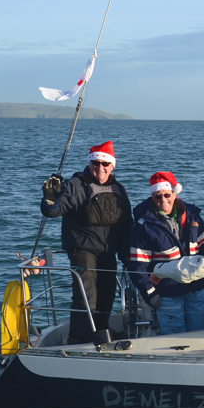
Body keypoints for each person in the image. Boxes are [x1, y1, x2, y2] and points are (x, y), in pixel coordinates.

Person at [40, 140, 132, 344]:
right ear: (89, 164)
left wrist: (127, 253)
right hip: (83, 250)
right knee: (86, 293)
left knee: (108, 292)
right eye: (95, 163)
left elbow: (127, 224)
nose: (100, 167)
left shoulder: (118, 189)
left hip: (108, 252)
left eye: (105, 163)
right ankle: (79, 338)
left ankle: (101, 331)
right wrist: (49, 200)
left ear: (112, 166)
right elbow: (52, 211)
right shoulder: (74, 186)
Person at [128, 171, 204, 334]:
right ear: (152, 197)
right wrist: (150, 293)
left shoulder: (193, 217)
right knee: (174, 338)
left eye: (167, 195)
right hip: (166, 295)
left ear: (175, 194)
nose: (163, 200)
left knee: (201, 333)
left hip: (196, 289)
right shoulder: (144, 225)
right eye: (157, 196)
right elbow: (138, 265)